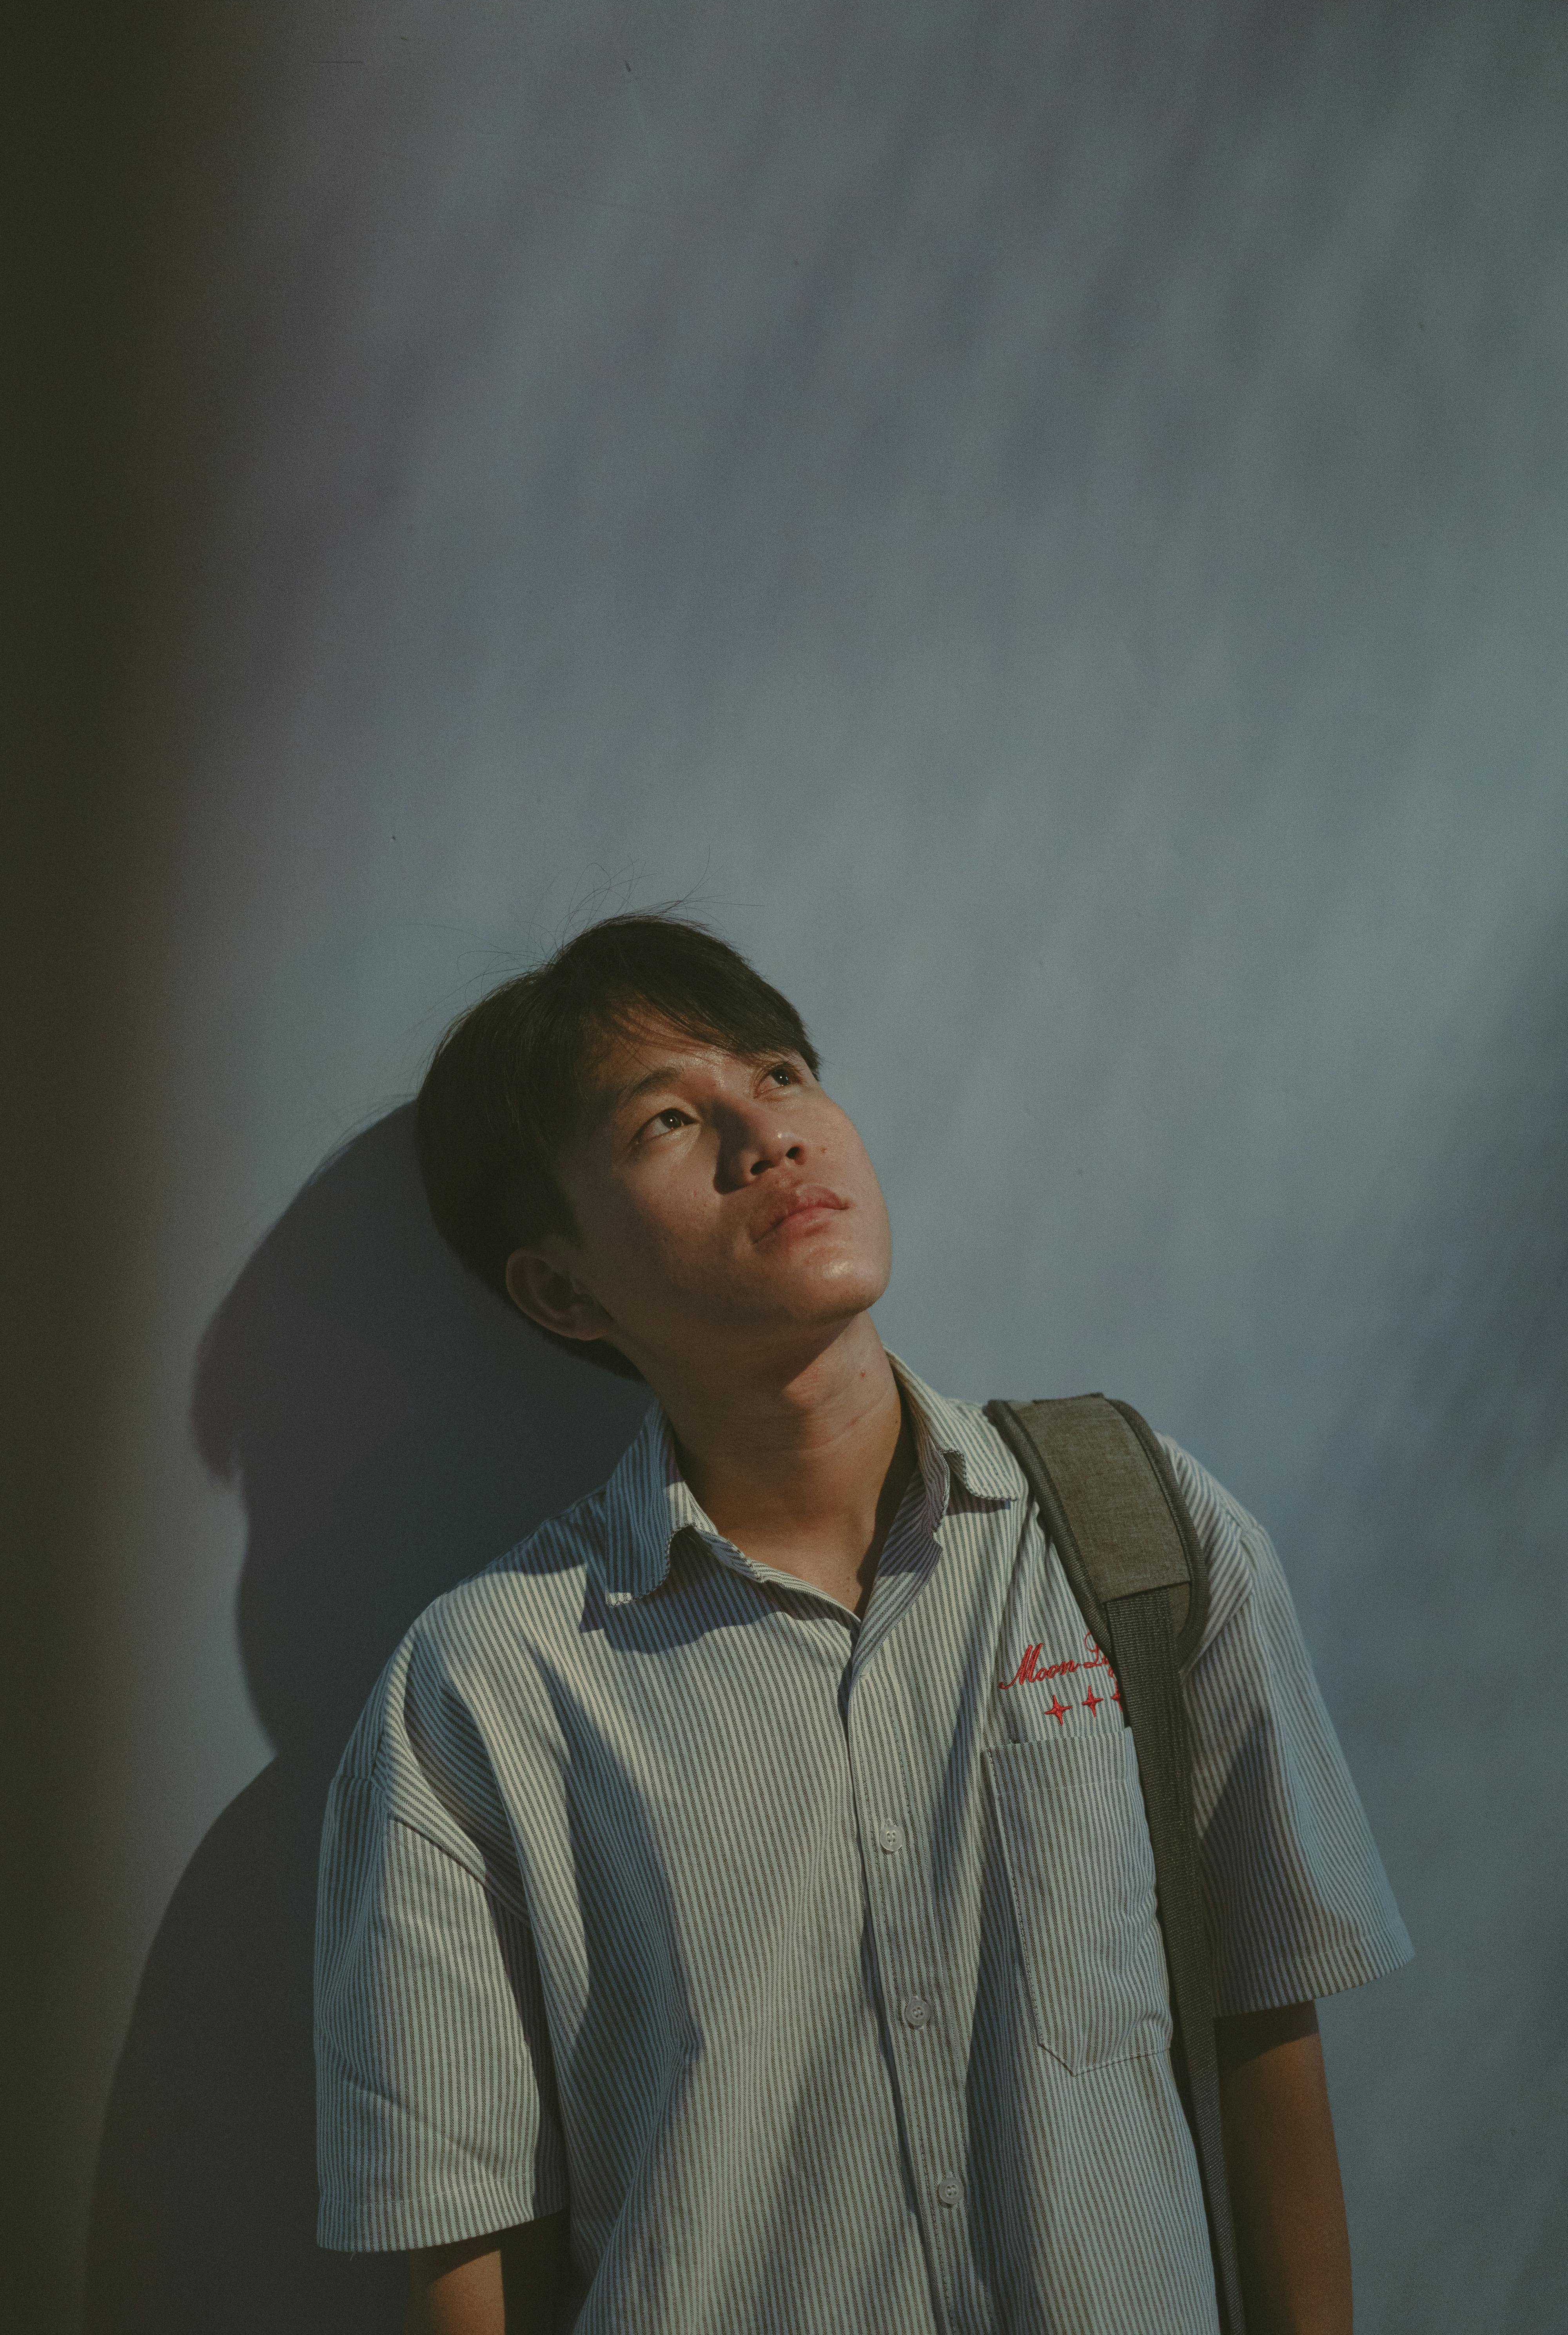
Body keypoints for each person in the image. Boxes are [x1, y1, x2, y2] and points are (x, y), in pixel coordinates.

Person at [313, 911, 1412, 2335]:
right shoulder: (485, 1695)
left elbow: (1267, 2029)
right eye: (665, 1120)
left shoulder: (1140, 1530)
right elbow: (467, 2249)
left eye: (779, 1074)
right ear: (561, 1286)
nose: (765, 1137)